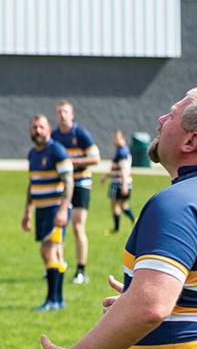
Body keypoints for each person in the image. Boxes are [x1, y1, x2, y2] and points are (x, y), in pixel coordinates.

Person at [41, 86, 197, 349]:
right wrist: (137, 296)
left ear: (191, 141)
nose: (161, 120)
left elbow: (150, 308)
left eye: (172, 116)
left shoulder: (178, 201)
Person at [22, 114, 74, 312]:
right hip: (42, 210)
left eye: (41, 127)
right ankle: (58, 300)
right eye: (34, 127)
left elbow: (69, 181)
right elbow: (32, 183)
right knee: (56, 254)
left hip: (55, 210)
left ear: (48, 130)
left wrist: (62, 209)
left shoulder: (57, 151)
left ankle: (52, 300)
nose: (38, 130)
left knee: (48, 251)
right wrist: (28, 210)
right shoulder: (33, 154)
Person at [50, 100, 99, 284]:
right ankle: (56, 266)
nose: (62, 115)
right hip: (62, 185)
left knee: (78, 227)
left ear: (72, 115)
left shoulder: (80, 134)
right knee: (58, 226)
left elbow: (96, 158)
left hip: (80, 183)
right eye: (59, 112)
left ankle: (81, 270)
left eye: (65, 112)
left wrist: (72, 163)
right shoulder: (53, 136)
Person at [99, 129, 135, 233]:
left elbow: (123, 170)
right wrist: (106, 177)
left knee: (114, 205)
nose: (114, 140)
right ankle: (135, 221)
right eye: (114, 138)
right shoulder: (123, 150)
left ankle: (116, 228)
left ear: (123, 138)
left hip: (119, 184)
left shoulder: (121, 152)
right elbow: (116, 168)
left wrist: (123, 184)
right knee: (124, 205)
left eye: (117, 138)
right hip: (125, 182)